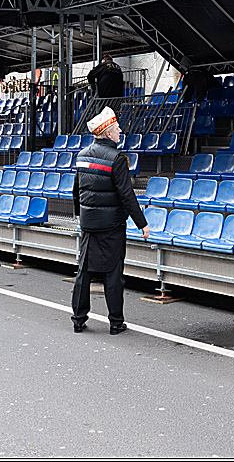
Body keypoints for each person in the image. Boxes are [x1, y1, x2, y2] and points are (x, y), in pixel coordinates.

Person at [70, 106, 149, 335]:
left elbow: (76, 190)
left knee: (84, 271)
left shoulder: (82, 156)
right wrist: (142, 223)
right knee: (113, 274)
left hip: (89, 224)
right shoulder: (117, 159)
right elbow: (127, 195)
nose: (120, 131)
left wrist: (79, 213)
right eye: (116, 129)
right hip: (112, 225)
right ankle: (115, 322)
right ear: (107, 133)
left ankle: (78, 319)